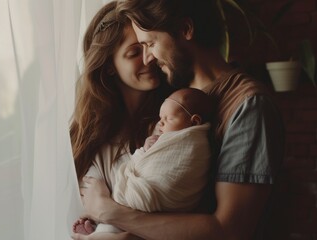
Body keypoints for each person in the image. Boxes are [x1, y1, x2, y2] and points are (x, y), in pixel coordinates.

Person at [73, 0, 285, 239]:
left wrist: (110, 212)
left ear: (186, 30)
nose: (148, 58)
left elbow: (230, 230)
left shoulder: (248, 105)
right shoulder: (171, 100)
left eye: (150, 43)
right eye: (138, 48)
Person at [69, 1, 174, 239]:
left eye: (149, 46)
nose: (149, 58)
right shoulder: (90, 138)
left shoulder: (172, 121)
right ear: (109, 67)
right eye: (134, 52)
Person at [73, 88, 214, 236]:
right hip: (144, 199)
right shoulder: (160, 135)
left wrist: (143, 153)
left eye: (169, 119)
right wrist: (144, 150)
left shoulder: (193, 143)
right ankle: (100, 227)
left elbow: (180, 168)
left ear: (195, 121)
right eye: (161, 118)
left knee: (121, 212)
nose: (161, 124)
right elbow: (147, 161)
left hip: (162, 198)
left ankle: (101, 229)